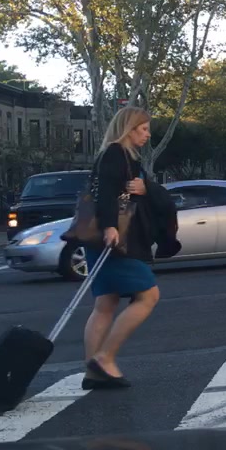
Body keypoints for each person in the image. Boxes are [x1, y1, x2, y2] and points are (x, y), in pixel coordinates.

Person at [82, 106, 159, 390]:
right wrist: (110, 227)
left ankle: (93, 371)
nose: (147, 135)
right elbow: (105, 194)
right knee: (149, 295)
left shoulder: (114, 154)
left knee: (105, 303)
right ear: (129, 128)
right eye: (143, 129)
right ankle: (105, 358)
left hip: (97, 237)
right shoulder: (116, 153)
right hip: (114, 239)